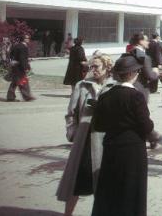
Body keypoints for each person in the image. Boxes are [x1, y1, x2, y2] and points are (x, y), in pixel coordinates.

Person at [91, 55, 154, 216]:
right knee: (131, 192)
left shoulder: (106, 95)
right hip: (133, 150)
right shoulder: (136, 96)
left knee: (110, 191)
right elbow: (146, 125)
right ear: (133, 73)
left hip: (111, 148)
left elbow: (98, 125)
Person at [57, 54, 114, 216]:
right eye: (91, 66)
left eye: (96, 66)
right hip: (84, 142)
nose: (92, 70)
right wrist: (72, 133)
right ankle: (67, 214)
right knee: (76, 181)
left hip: (105, 143)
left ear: (107, 67)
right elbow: (71, 113)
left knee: (103, 183)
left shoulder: (114, 87)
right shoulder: (82, 86)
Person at [6, 34, 35, 102]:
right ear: (24, 39)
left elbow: (11, 54)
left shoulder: (16, 46)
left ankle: (10, 97)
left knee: (14, 82)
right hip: (19, 67)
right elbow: (22, 59)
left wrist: (13, 61)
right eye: (27, 38)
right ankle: (27, 96)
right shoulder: (23, 47)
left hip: (15, 66)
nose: (28, 39)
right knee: (23, 82)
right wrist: (26, 67)